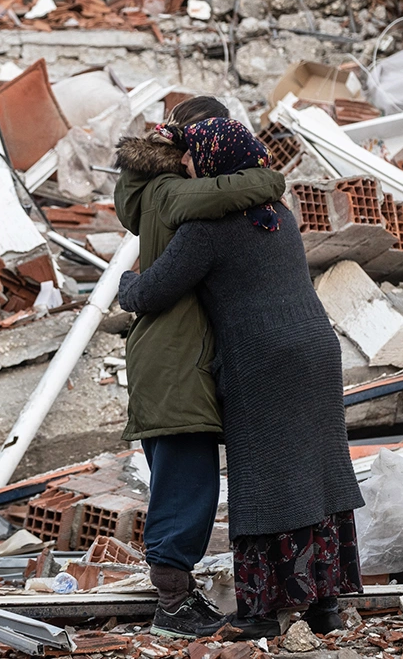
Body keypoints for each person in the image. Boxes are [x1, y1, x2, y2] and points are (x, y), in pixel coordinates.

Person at [117, 117, 364, 639]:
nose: (184, 163)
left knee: (263, 481)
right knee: (316, 473)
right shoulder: (281, 214)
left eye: (191, 156)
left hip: (263, 359)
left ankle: (259, 614)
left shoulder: (208, 230)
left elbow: (151, 294)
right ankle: (324, 607)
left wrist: (127, 280)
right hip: (318, 349)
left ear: (212, 162)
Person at [114, 98, 287, 638]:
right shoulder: (168, 193)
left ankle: (176, 597)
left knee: (182, 480)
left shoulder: (148, 192)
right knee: (186, 486)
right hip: (175, 361)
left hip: (173, 356)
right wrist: (270, 179)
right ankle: (171, 606)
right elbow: (230, 190)